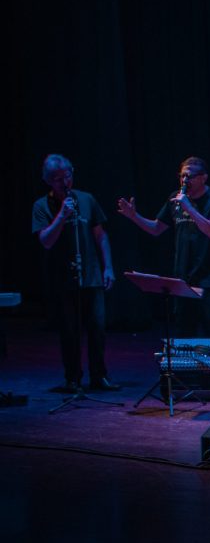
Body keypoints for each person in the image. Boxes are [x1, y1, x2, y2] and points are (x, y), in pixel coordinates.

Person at [31, 154, 119, 392]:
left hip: (91, 276)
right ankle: (72, 377)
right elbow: (46, 241)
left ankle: (99, 375)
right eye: (57, 178)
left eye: (67, 175)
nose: (64, 182)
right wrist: (61, 216)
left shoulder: (86, 199)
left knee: (97, 328)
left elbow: (100, 235)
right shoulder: (41, 206)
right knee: (69, 331)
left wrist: (108, 267)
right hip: (63, 279)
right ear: (49, 181)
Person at [117, 157, 210, 336]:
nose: (185, 181)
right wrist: (133, 216)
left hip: (209, 276)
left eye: (190, 176)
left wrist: (189, 208)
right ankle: (186, 364)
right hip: (182, 276)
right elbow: (156, 229)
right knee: (183, 328)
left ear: (203, 178)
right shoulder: (175, 199)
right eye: (182, 176)